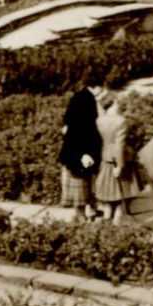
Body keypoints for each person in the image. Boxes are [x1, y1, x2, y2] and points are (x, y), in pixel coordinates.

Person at [92, 92, 141, 224]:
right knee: (121, 193)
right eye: (117, 102)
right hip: (117, 159)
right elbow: (119, 145)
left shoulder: (99, 120)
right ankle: (117, 220)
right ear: (113, 103)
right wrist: (120, 165)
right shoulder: (121, 121)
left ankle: (107, 222)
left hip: (104, 158)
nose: (119, 105)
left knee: (108, 193)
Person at [58, 83, 104, 220]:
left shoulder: (81, 97)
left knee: (84, 188)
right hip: (79, 155)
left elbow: (68, 125)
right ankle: (81, 218)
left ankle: (86, 213)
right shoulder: (86, 101)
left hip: (77, 154)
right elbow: (81, 132)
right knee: (80, 191)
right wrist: (82, 154)